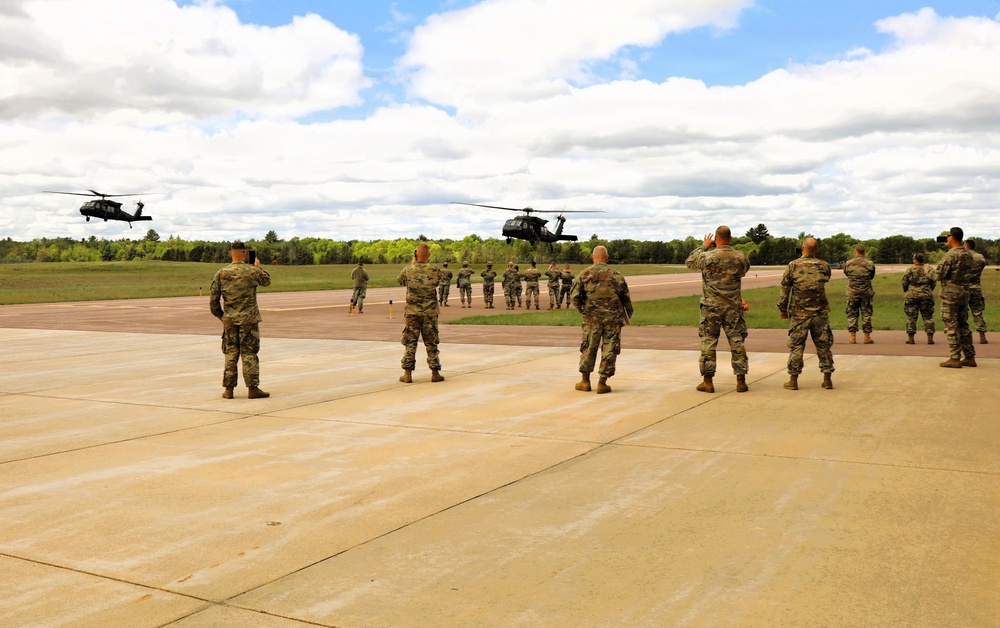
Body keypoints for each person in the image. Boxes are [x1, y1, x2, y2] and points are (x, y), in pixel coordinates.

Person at [685, 226, 751, 393]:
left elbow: (690, 262)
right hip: (733, 307)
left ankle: (708, 381)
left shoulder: (707, 256)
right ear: (730, 238)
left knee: (709, 341)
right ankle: (741, 380)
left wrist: (704, 246)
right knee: (737, 341)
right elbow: (745, 269)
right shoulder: (740, 257)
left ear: (716, 238)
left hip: (711, 307)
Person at [209, 240, 272, 399]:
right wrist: (258, 268)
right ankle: (252, 388)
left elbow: (213, 301)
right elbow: (267, 282)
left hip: (230, 320)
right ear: (245, 253)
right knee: (249, 353)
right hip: (248, 320)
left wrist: (222, 316)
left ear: (231, 253)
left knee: (231, 352)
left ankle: (228, 390)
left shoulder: (222, 273)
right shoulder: (252, 271)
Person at [570, 245, 633, 394]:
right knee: (609, 349)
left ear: (592, 257)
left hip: (592, 319)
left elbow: (574, 297)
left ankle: (585, 381)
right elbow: (626, 301)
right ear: (607, 258)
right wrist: (623, 317)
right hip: (612, 319)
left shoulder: (584, 274)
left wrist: (585, 311)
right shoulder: (616, 275)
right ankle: (602, 383)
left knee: (589, 347)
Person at [778, 237, 834, 390]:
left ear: (802, 248)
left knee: (796, 346)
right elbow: (826, 279)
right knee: (824, 346)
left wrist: (783, 309)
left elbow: (785, 289)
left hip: (799, 313)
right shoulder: (824, 265)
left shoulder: (793, 266)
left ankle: (793, 379)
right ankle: (827, 378)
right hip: (820, 313)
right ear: (816, 250)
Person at [397, 243, 444, 383]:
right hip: (429, 312)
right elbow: (437, 282)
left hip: (412, 313)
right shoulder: (435, 270)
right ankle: (435, 373)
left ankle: (407, 374)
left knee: (410, 342)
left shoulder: (408, 270)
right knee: (431, 342)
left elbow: (400, 281)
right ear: (428, 255)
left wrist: (413, 265)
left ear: (416, 254)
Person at [937, 227, 976, 368]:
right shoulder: (968, 254)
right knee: (963, 325)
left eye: (948, 236)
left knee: (951, 326)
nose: (946, 238)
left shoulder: (950, 255)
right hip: (964, 294)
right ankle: (969, 356)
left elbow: (938, 275)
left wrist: (928, 269)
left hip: (950, 296)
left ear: (952, 237)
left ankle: (955, 357)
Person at [843, 244, 876, 344]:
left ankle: (852, 336)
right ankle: (867, 336)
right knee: (866, 313)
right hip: (866, 292)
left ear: (855, 252)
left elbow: (846, 273)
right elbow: (872, 276)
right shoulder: (869, 263)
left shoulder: (849, 263)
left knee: (852, 313)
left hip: (852, 292)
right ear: (864, 252)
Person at [901, 253, 936, 344]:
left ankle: (911, 338)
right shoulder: (928, 269)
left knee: (911, 317)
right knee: (928, 317)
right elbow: (933, 281)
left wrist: (907, 290)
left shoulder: (910, 269)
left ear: (916, 260)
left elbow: (904, 282)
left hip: (912, 295)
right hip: (926, 295)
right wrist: (928, 290)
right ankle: (930, 338)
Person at [965, 239, 988, 344]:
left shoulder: (963, 256)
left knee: (962, 313)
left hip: (964, 287)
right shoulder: (980, 257)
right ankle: (982, 335)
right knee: (977, 312)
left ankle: (963, 336)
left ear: (966, 245)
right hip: (976, 287)